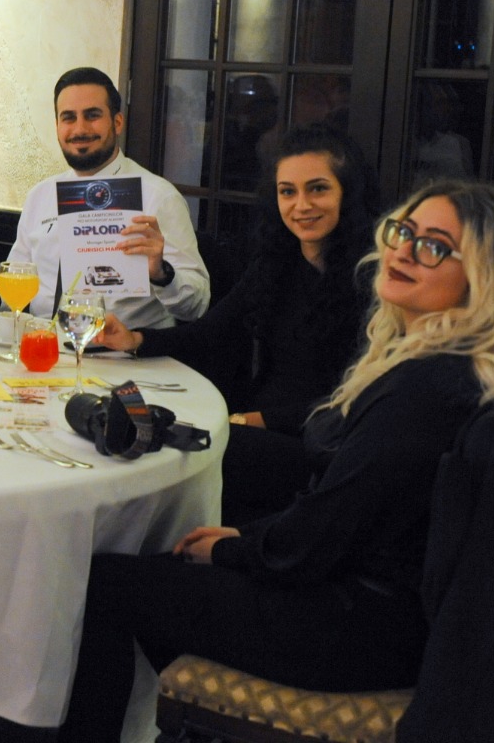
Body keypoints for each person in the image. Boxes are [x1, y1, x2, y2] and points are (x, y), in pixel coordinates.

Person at [57, 180, 494, 742]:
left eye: (434, 246)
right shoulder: (473, 367)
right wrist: (247, 538)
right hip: (390, 604)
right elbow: (346, 508)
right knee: (185, 542)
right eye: (403, 232)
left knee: (107, 582)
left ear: (486, 276)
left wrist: (233, 549)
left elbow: (325, 533)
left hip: (359, 630)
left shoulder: (428, 388)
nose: (403, 252)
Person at [96, 125, 379, 524]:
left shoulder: (373, 278)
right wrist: (135, 339)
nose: (301, 205)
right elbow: (211, 332)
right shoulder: (277, 262)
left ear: (347, 193)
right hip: (255, 422)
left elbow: (361, 395)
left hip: (323, 444)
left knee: (181, 450)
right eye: (287, 192)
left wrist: (258, 420)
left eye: (318, 189)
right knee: (142, 427)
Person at [0, 67, 208, 328]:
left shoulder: (159, 197)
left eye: (92, 115)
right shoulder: (41, 195)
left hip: (123, 350)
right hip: (43, 344)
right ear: (57, 126)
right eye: (68, 118)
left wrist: (161, 273)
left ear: (117, 122)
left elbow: (197, 305)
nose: (80, 128)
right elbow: (18, 273)